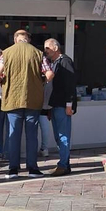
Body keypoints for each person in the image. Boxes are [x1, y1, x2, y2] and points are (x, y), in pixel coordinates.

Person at [0, 29, 47, 180]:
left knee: (13, 135)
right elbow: (49, 74)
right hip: (32, 99)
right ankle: (32, 168)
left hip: (12, 99)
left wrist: (2, 81)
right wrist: (41, 82)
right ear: (28, 39)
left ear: (15, 40)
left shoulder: (6, 53)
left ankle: (13, 168)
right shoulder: (38, 53)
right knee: (32, 135)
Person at [41, 38, 78, 176]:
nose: (45, 51)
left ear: (55, 48)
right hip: (55, 104)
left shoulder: (65, 61)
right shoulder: (55, 63)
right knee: (58, 136)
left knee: (63, 135)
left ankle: (63, 165)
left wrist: (69, 104)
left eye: (47, 48)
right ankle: (64, 163)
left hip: (62, 105)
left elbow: (70, 84)